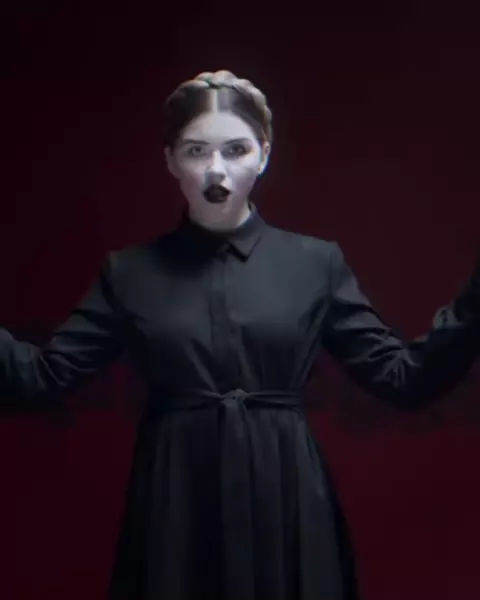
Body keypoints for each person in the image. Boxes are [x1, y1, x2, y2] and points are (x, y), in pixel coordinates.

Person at [0, 69, 479, 600]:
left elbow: (404, 379)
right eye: (196, 151)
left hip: (288, 496)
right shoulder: (129, 273)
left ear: (264, 154)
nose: (216, 169)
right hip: (176, 501)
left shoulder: (315, 263)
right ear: (170, 160)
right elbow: (41, 378)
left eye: (236, 150)